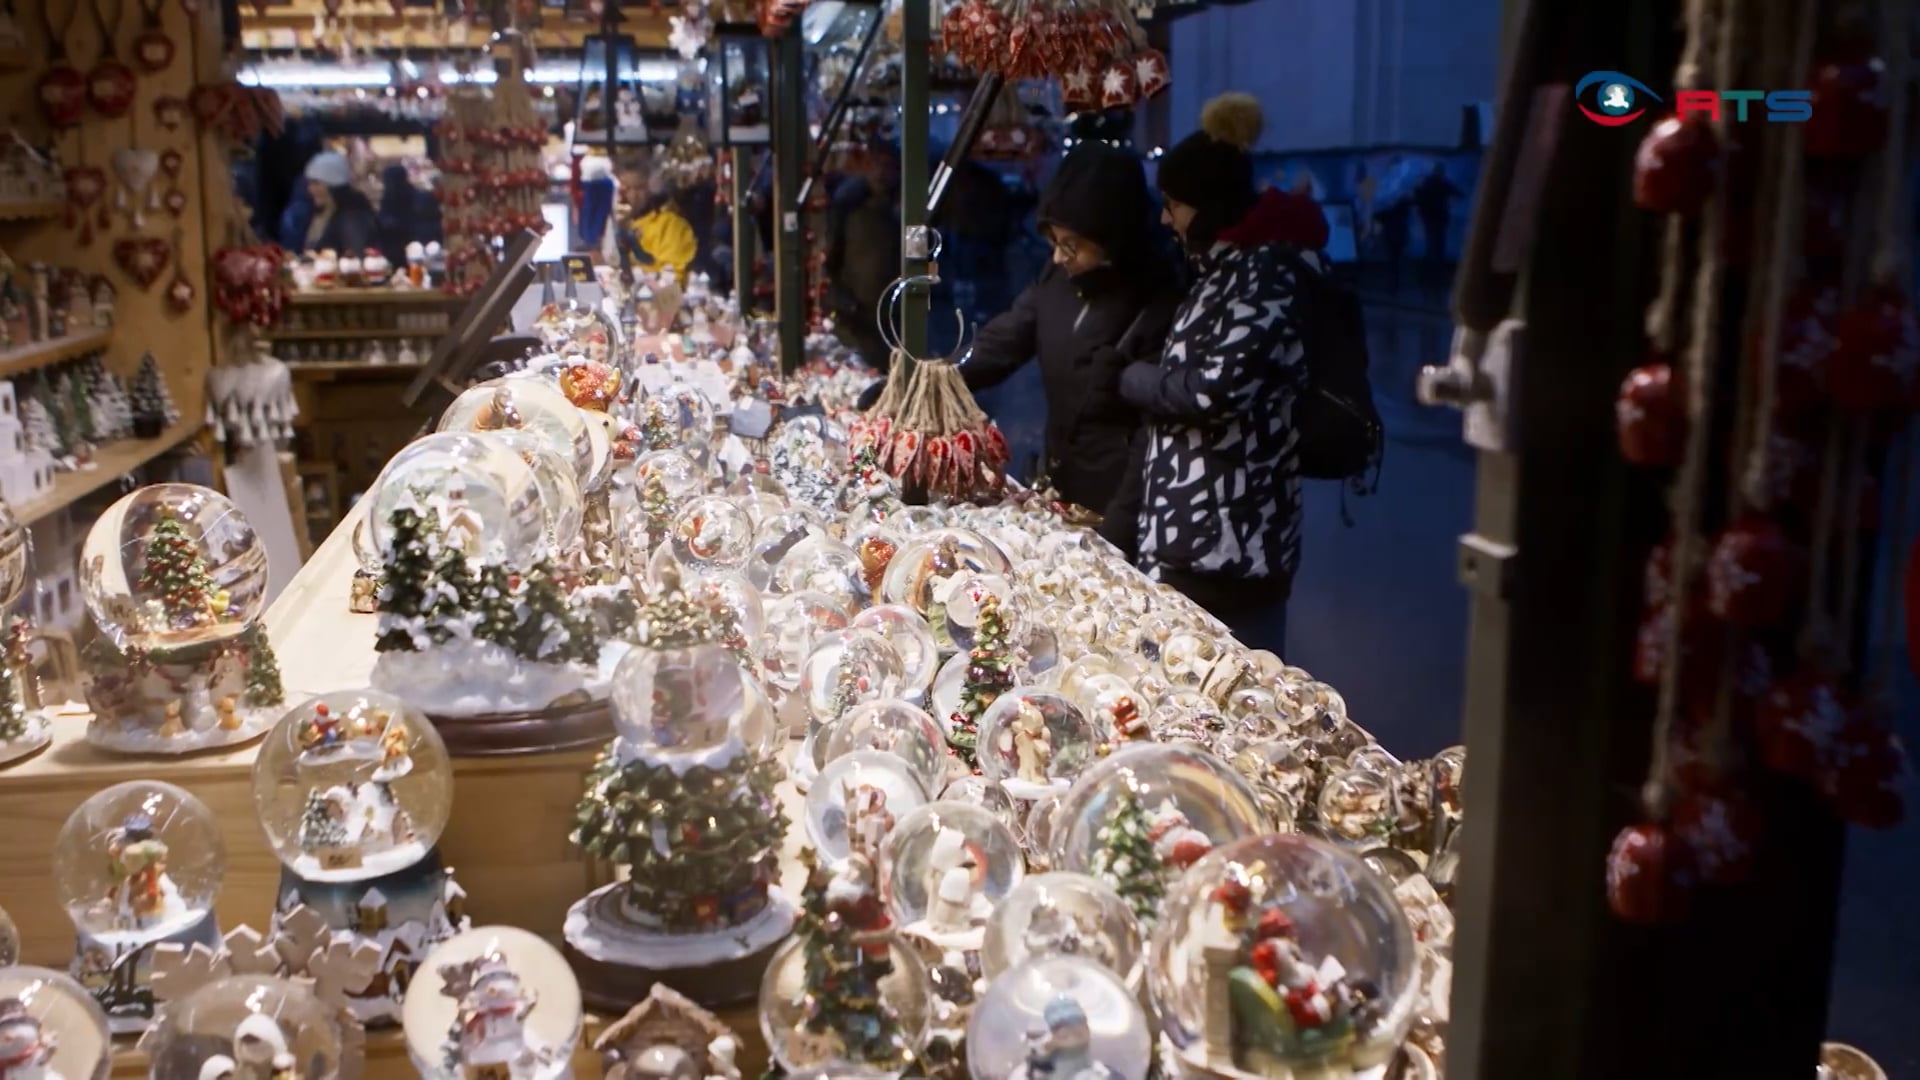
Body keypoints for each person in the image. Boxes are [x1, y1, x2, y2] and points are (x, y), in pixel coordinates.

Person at [1112, 91, 1329, 656]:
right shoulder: (1219, 272)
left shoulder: (1266, 276)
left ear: (1208, 205)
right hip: (1189, 544)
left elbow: (1212, 391)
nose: (1165, 217)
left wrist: (1133, 378)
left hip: (1234, 552)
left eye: (1174, 203)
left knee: (1233, 691)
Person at [952, 142, 1183, 515]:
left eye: (1072, 246)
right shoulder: (1057, 279)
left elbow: (1150, 437)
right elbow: (1002, 342)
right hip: (1061, 484)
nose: (1059, 257)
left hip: (1119, 503)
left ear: (1111, 239)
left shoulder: (1157, 300)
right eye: (1053, 242)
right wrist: (930, 383)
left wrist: (1119, 529)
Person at [825, 142, 903, 373]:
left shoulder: (902, 212)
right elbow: (832, 260)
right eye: (876, 165)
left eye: (888, 166)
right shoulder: (849, 206)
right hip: (858, 315)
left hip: (892, 312)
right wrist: (843, 300)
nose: (882, 172)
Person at [297, 151, 377, 255]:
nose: (310, 189)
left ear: (334, 185)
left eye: (316, 183)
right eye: (310, 183)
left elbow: (357, 261)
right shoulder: (325, 214)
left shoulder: (352, 218)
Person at [1413, 161, 1462, 262]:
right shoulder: (1443, 183)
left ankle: (1431, 259)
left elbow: (1418, 196)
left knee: (1431, 237)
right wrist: (1450, 203)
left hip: (1430, 215)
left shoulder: (1427, 182)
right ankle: (1437, 260)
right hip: (1439, 215)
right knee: (1438, 238)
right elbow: (1459, 194)